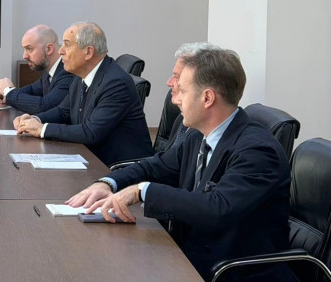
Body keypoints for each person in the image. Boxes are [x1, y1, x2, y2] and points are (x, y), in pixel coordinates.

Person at [67, 48, 294, 282]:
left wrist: (142, 191)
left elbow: (217, 208)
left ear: (207, 98)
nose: (175, 99)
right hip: (190, 255)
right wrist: (107, 183)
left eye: (183, 91)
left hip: (232, 272)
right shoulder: (198, 136)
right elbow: (154, 167)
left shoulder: (257, 151)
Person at [13, 22, 153, 166]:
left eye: (67, 45)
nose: (60, 51)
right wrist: (34, 120)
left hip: (121, 167)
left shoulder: (116, 83)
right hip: (92, 157)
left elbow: (91, 132)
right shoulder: (80, 76)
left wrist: (42, 129)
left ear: (88, 52)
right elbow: (63, 111)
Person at [0, 24, 75, 114]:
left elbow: (44, 106)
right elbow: (32, 89)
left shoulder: (67, 72)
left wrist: (9, 92)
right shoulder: (49, 71)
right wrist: (5, 96)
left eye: (29, 49)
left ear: (49, 49)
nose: (24, 56)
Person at [161, 42, 221, 149]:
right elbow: (169, 157)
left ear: (207, 97)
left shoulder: (204, 130)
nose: (169, 83)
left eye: (177, 77)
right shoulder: (183, 118)